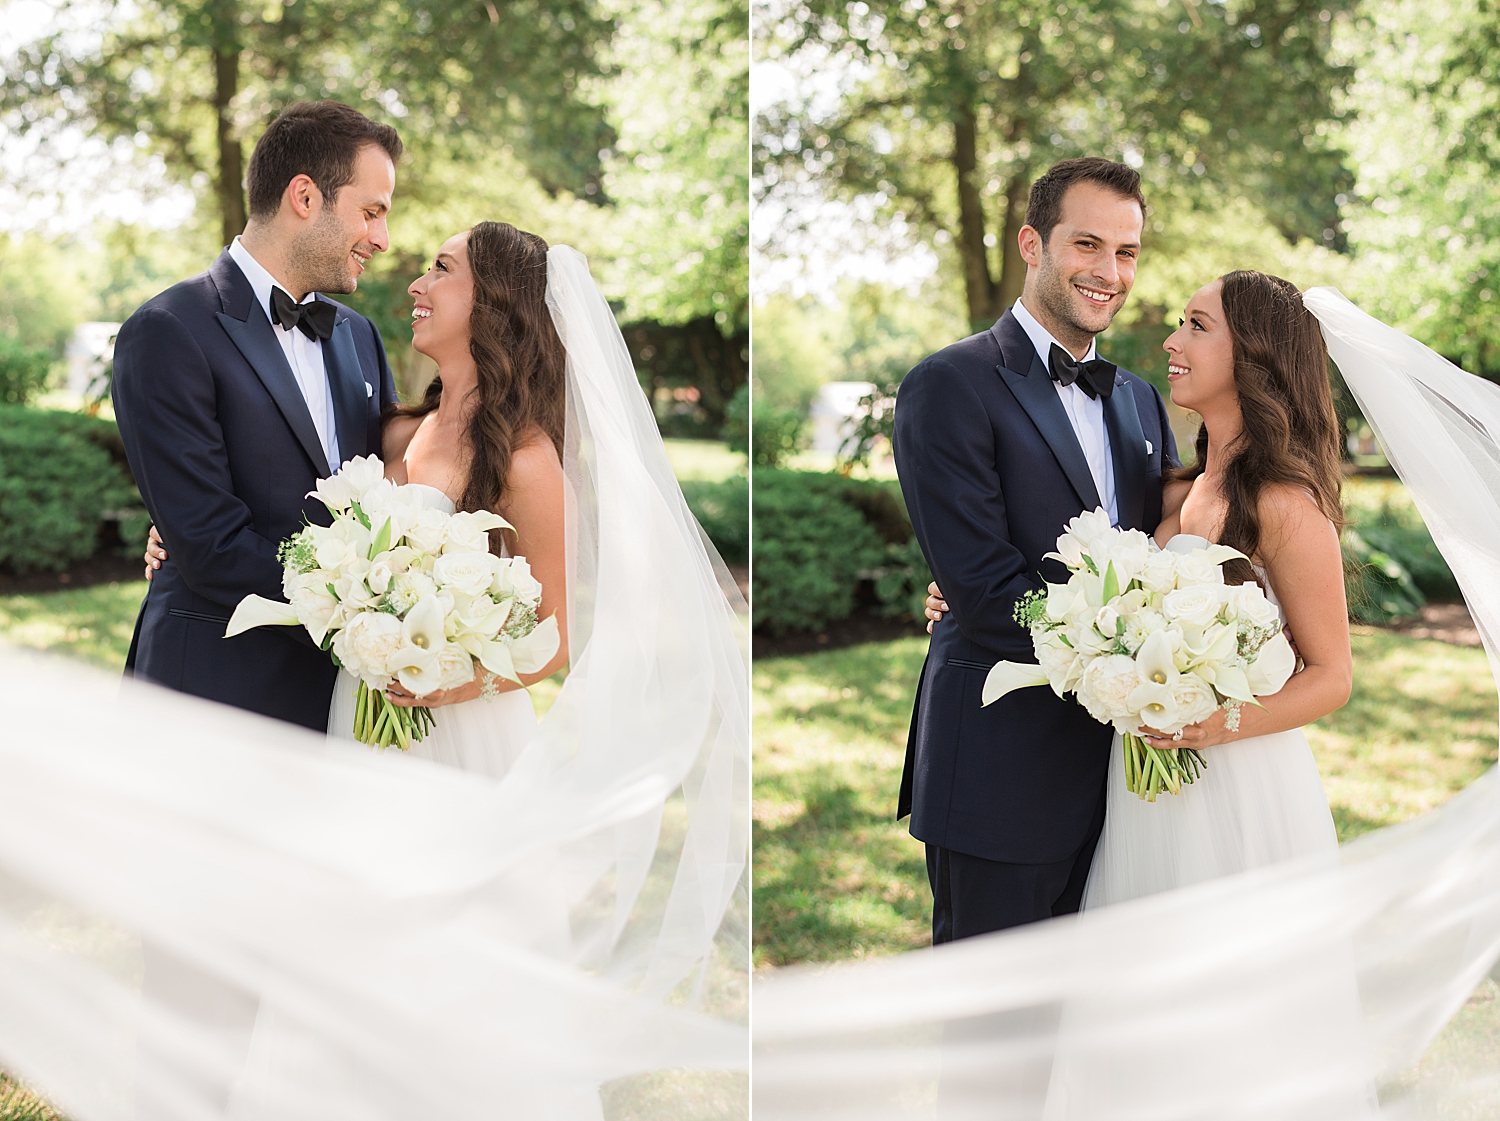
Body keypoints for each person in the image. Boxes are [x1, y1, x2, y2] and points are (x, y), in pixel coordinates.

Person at [925, 271, 1350, 906]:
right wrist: (963, 587)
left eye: (1197, 327)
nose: (1172, 343)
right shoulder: (1176, 488)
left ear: (1256, 355)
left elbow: (1332, 676)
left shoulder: (1285, 504)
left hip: (1237, 779)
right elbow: (1103, 582)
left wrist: (1214, 724)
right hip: (1135, 787)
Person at [891, 157, 1179, 943]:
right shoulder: (948, 384)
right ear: (1031, 244)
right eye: (1087, 245)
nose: (1109, 272)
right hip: (1000, 773)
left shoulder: (1139, 401)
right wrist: (1117, 665)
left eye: (1126, 253)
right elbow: (987, 590)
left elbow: (1159, 568)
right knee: (997, 1044)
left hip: (1124, 786)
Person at [117, 100, 403, 732]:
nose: (382, 238)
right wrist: (365, 617)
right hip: (215, 694)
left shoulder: (359, 337)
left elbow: (390, 498)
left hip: (345, 705)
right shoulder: (167, 331)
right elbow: (210, 543)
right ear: (305, 196)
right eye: (372, 211)